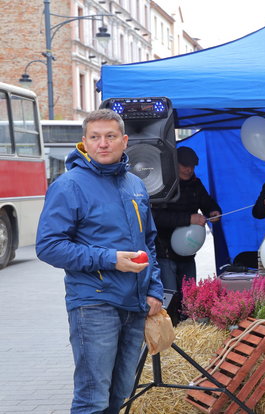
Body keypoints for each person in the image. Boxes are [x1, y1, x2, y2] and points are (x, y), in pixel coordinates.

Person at [35, 109, 164, 413]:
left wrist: (154, 289)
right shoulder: (69, 186)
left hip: (134, 304)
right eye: (95, 137)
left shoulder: (135, 185)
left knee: (118, 395)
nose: (102, 143)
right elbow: (48, 246)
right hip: (93, 304)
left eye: (110, 136)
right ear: (84, 142)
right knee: (92, 398)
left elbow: (148, 242)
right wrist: (109, 259)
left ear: (124, 140)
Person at [151, 146, 221, 324]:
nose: (189, 169)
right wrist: (188, 219)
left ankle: (188, 330)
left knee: (190, 298)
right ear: (175, 164)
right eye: (185, 165)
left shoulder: (195, 184)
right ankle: (171, 332)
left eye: (192, 166)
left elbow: (208, 203)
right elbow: (156, 217)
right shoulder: (162, 186)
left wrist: (214, 212)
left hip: (188, 251)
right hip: (165, 251)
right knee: (171, 298)